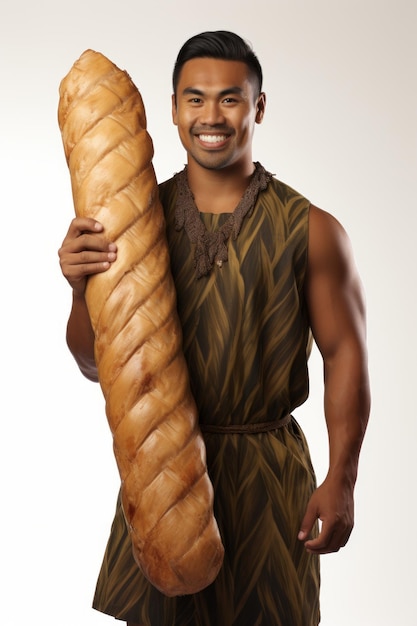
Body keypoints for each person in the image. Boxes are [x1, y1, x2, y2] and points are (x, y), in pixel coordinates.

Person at [58, 30, 370, 626]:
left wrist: (342, 478)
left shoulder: (312, 229)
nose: (211, 115)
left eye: (230, 98)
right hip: (160, 476)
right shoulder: (129, 219)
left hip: (269, 480)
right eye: (194, 99)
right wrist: (81, 291)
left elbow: (345, 354)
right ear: (173, 109)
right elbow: (96, 364)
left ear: (258, 106)